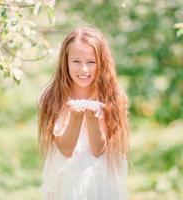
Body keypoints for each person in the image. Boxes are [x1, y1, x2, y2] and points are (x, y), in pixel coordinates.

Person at [37, 26, 129, 200]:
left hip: (102, 180)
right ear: (66, 62)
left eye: (91, 62)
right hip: (66, 182)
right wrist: (75, 117)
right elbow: (65, 149)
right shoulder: (52, 97)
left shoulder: (112, 95)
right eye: (76, 62)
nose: (84, 69)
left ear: (101, 62)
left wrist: (94, 119)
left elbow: (98, 150)